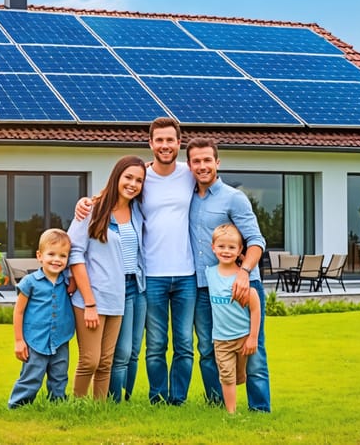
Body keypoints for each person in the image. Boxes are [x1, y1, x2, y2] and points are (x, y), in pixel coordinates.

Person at [76, 117, 201, 405]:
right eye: (159, 140)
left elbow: (213, 190)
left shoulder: (189, 173)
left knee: (183, 344)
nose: (165, 145)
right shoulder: (141, 175)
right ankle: (148, 399)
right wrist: (87, 202)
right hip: (150, 277)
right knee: (151, 346)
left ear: (179, 143)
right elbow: (116, 193)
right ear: (150, 143)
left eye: (170, 140)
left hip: (185, 274)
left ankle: (177, 400)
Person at [187, 136, 271, 412]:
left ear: (217, 162)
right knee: (209, 350)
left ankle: (259, 408)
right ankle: (219, 405)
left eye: (207, 160)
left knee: (253, 351)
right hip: (204, 287)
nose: (202, 166)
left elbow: (256, 241)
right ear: (189, 165)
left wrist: (245, 272)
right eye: (196, 161)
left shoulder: (234, 198)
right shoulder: (186, 195)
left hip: (241, 285)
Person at [67, 155, 146, 400]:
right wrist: (89, 302)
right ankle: (78, 406)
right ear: (116, 177)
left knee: (106, 361)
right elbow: (75, 253)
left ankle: (99, 410)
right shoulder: (92, 209)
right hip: (92, 296)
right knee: (89, 360)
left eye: (139, 180)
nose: (133, 184)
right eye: (128, 177)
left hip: (120, 294)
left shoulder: (137, 212)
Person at [8, 229, 75, 409]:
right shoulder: (30, 282)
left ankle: (57, 405)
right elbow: (18, 312)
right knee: (32, 375)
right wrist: (19, 341)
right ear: (39, 256)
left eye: (63, 255)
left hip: (60, 338)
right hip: (35, 339)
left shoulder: (67, 282)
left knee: (60, 375)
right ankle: (18, 406)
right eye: (51, 254)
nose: (57, 259)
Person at [205, 223, 261, 414]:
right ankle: (231, 412)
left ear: (239, 251)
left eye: (231, 247)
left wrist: (253, 337)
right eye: (221, 246)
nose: (226, 251)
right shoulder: (209, 273)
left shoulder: (242, 278)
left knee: (240, 376)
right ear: (213, 248)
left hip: (243, 338)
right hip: (220, 339)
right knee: (227, 376)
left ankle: (251, 398)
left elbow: (255, 308)